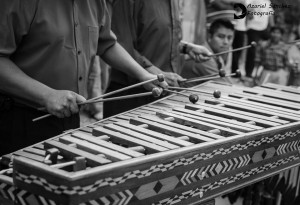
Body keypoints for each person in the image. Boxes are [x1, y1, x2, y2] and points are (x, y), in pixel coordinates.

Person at [0, 0, 167, 156]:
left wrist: (143, 74)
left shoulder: (95, 2)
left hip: (69, 117)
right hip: (21, 119)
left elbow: (106, 43)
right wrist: (46, 95)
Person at [103, 0, 212, 118]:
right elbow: (117, 43)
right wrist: (150, 70)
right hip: (132, 98)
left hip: (165, 97)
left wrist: (186, 48)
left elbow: (152, 37)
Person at [181, 19, 235, 84]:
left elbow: (228, 80)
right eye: (221, 37)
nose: (226, 42)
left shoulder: (218, 56)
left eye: (229, 38)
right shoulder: (204, 57)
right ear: (209, 36)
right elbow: (225, 85)